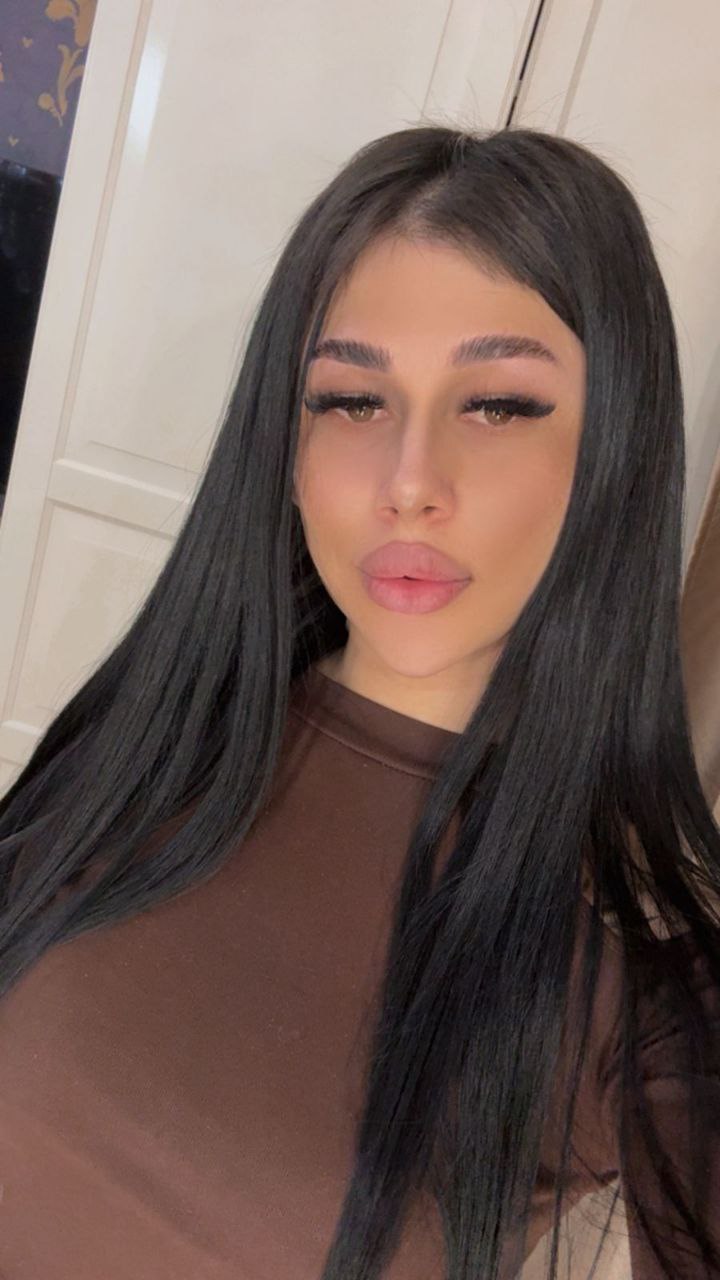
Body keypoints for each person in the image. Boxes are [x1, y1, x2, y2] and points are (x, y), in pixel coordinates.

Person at [0, 123, 719, 1280]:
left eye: (499, 404)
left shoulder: (635, 975)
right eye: (350, 398)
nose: (410, 482)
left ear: (613, 455)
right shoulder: (146, 743)